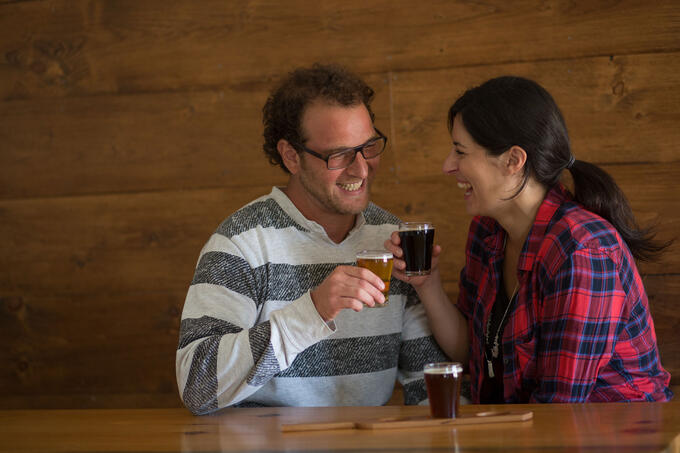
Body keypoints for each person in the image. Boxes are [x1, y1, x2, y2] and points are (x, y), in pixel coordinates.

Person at [175, 63, 447, 415]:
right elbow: (197, 387)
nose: (362, 169)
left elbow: (427, 381)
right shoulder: (241, 243)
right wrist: (312, 312)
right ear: (291, 156)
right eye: (340, 154)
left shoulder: (391, 240)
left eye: (368, 147)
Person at [385, 76, 673, 403]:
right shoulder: (487, 231)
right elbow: (470, 353)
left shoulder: (581, 249)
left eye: (460, 151)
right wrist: (427, 283)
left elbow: (560, 407)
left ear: (513, 160)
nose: (448, 166)